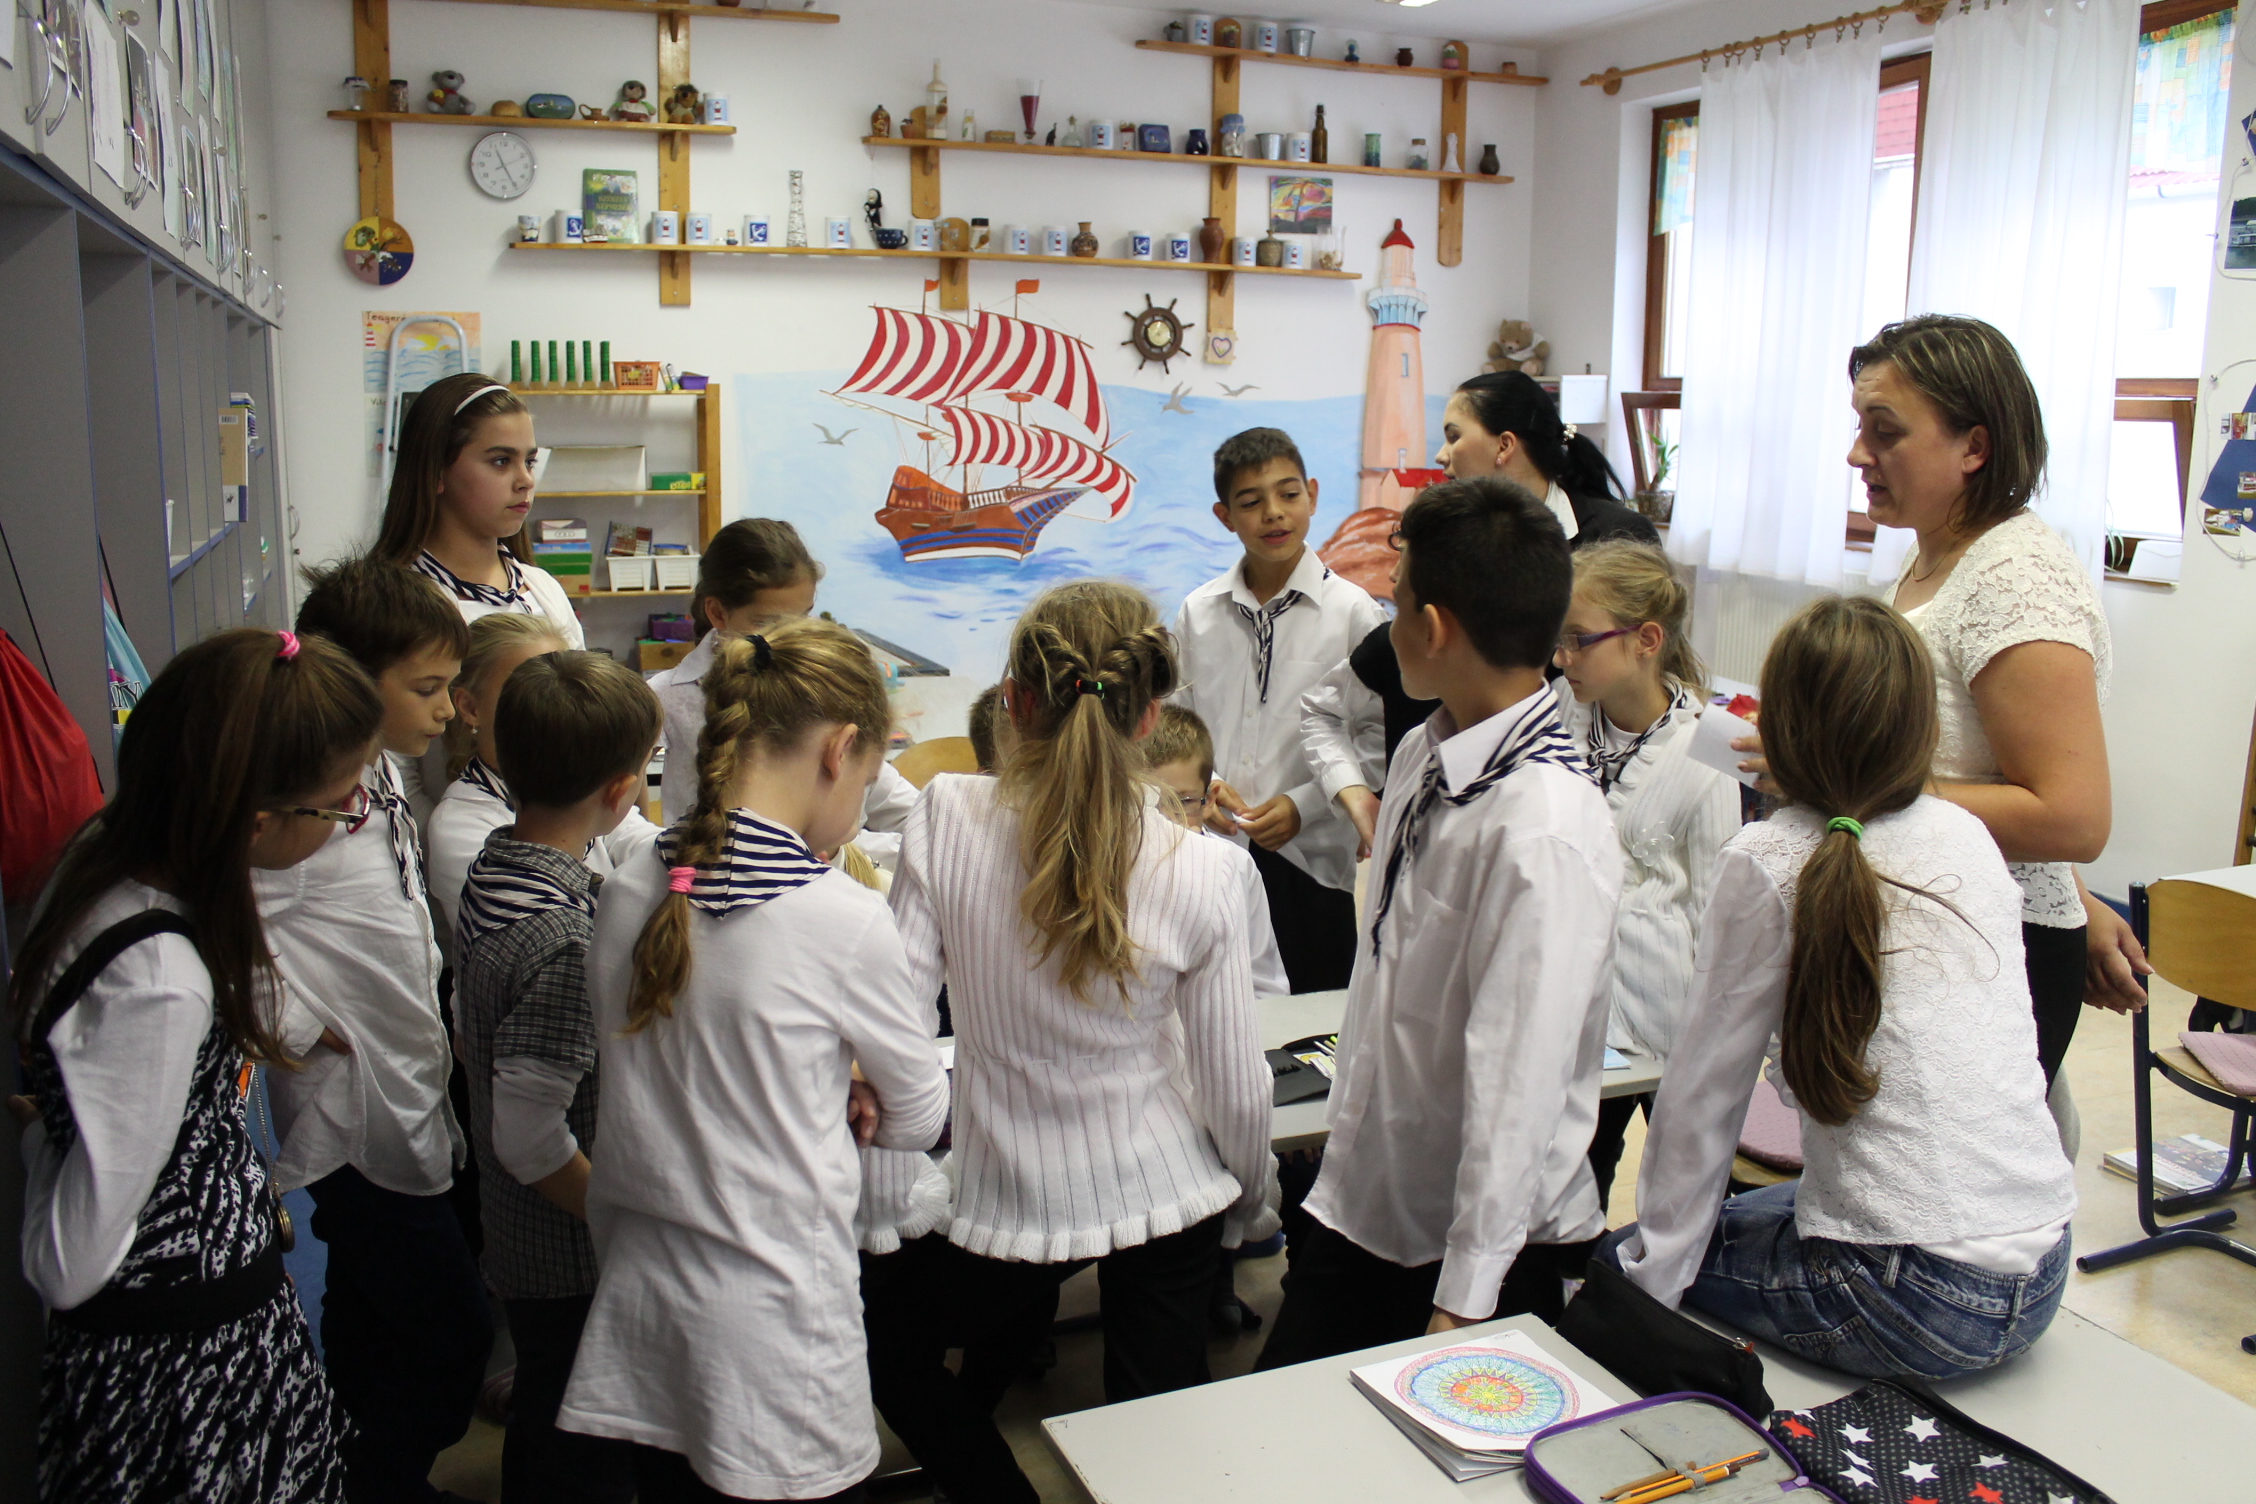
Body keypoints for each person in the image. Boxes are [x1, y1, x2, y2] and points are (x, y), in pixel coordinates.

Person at [880, 581, 1278, 1502]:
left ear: (1013, 704)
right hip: (1171, 1192)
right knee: (1160, 1452)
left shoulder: (945, 813)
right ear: (1152, 718)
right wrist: (1250, 1203)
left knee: (885, 1345)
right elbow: (1234, 1084)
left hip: (1002, 1191)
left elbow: (896, 1032)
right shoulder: (1208, 868)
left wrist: (890, 1193)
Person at [1613, 596, 2077, 1379]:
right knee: (1762, 1210)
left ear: (1781, 728)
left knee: (1621, 1259)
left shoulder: (1767, 857)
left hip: (1911, 1297)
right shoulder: (1966, 833)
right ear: (1920, 725)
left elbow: (1702, 1100)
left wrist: (1648, 1291)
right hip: (2042, 1270)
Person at [559, 618, 949, 1503]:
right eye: (870, 775)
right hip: (776, 1327)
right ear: (839, 750)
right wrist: (851, 1082)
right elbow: (920, 1115)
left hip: (643, 1303)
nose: (863, 800)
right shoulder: (842, 918)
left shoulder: (632, 886)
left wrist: (824, 1076)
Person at [1256, 477, 1621, 1370]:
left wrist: (1465, 1300)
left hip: (1478, 1242)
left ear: (1434, 627)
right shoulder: (1429, 749)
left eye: (1396, 602)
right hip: (1374, 1188)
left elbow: (1520, 1077)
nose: (1387, 619)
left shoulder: (1544, 828)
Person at [10, 627, 376, 1504]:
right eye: (338, 807)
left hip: (193, 1323)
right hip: (185, 1362)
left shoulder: (111, 853)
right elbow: (69, 1264)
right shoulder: (159, 980)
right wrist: (44, 1146)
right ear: (257, 821)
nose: (349, 816)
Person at [1739, 316, 2138, 1082]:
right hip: (1941, 916)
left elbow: (2071, 817)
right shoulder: (1935, 559)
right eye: (1860, 427)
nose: (1858, 453)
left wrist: (1837, 782)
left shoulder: (2015, 578)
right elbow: (1984, 765)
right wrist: (2079, 899)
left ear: (1974, 447)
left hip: (1988, 942)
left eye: (1885, 431)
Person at [260, 559, 490, 1504]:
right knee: (452, 1332)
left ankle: (350, 1471)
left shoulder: (379, 771)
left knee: (366, 1314)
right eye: (427, 688)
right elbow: (220, 924)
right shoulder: (304, 804)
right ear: (348, 686)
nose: (447, 710)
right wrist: (293, 1020)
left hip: (407, 1077)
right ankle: (381, 1479)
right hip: (352, 1116)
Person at [453, 650, 660, 1504]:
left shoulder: (496, 863)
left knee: (549, 1422)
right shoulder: (566, 944)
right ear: (620, 791)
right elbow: (533, 1138)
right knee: (583, 1448)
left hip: (523, 1239)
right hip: (567, 1256)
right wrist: (621, 1221)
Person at [1304, 371, 1661, 858]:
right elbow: (1324, 706)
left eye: (1454, 435)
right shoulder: (1417, 745)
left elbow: (1651, 678)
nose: (1440, 455)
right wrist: (1353, 790)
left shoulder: (1613, 536)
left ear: (1504, 445)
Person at [1553, 541, 1740, 1210]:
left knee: (1686, 1193)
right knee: (1569, 1183)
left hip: (1667, 1019)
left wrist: (1715, 1043)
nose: (1561, 658)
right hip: (1572, 1007)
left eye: (1578, 640)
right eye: (1557, 639)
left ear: (1646, 641)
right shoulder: (1556, 715)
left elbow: (1718, 912)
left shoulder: (1707, 748)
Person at [1174, 428, 1385, 993]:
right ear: (1224, 516)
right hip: (1211, 855)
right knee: (1212, 1010)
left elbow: (1378, 740)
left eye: (1288, 494)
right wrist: (1206, 788)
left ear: (1311, 495)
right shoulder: (1198, 612)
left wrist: (1304, 805)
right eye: (1250, 501)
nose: (1273, 512)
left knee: (1312, 1022)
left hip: (1311, 864)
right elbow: (1177, 722)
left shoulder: (1354, 613)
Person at [650, 518, 917, 867]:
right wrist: (658, 853)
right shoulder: (665, 697)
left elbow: (894, 801)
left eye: (804, 616)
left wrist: (852, 853)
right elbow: (617, 809)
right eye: (769, 622)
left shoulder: (823, 686)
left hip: (825, 873)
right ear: (717, 613)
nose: (793, 635)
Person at [426, 612, 656, 943]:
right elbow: (553, 934)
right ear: (471, 707)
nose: (556, 706)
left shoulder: (575, 780)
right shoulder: (460, 826)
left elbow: (635, 837)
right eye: (530, 689)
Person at [372, 372, 585, 649]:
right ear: (436, 473)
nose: (526, 481)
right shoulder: (394, 604)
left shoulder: (544, 591)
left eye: (529, 462)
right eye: (501, 461)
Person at [1143, 704, 1289, 998]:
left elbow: (1265, 983)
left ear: (1209, 799)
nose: (1166, 819)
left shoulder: (1236, 867)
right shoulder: (1120, 863)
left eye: (1182, 801)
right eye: (1151, 801)